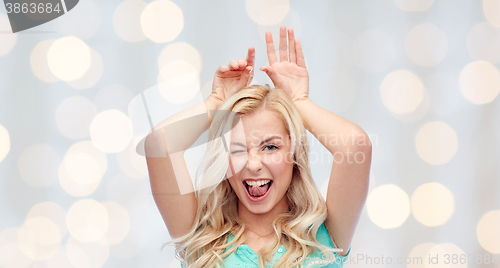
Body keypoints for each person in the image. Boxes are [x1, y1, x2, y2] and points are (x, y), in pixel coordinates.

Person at [145, 26, 372, 268]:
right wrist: (217, 102)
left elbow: (355, 145)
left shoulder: (324, 237)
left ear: (294, 154)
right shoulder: (201, 240)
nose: (253, 165)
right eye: (237, 149)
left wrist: (298, 101)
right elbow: (160, 143)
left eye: (270, 147)